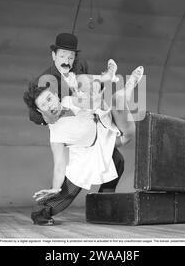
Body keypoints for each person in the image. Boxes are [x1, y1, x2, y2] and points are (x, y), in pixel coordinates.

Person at [24, 61, 144, 225]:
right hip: (90, 149)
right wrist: (54, 188)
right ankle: (44, 213)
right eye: (43, 105)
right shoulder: (56, 132)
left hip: (106, 125)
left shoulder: (68, 100)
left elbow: (92, 103)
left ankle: (128, 87)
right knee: (116, 162)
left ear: (55, 95)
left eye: (49, 99)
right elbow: (59, 163)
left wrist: (77, 91)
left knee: (117, 100)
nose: (49, 105)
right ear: (40, 111)